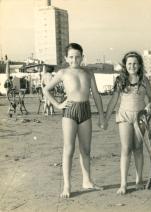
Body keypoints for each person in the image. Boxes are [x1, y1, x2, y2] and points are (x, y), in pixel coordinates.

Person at [43, 43, 106, 198]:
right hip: (69, 112)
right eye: (71, 57)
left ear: (82, 57)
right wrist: (58, 105)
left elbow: (96, 95)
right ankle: (67, 186)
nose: (74, 59)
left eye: (77, 56)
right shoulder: (63, 72)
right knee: (69, 149)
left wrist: (102, 115)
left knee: (86, 149)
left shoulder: (88, 73)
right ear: (66, 58)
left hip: (85, 111)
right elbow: (46, 89)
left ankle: (87, 181)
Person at [105, 51, 151, 195]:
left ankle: (139, 180)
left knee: (138, 148)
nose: (132, 66)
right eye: (129, 63)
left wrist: (149, 105)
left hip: (140, 117)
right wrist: (105, 119)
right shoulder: (120, 80)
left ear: (139, 65)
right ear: (125, 65)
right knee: (126, 148)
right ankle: (123, 184)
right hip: (124, 116)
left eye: (135, 63)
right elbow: (113, 101)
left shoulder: (144, 80)